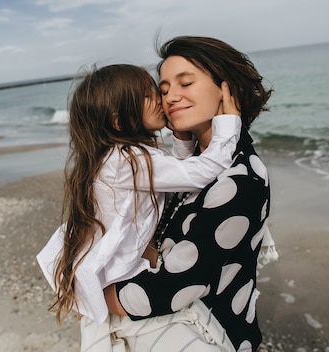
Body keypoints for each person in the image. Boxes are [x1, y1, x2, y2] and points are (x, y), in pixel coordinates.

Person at [36, 63, 242, 348]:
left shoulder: (120, 157)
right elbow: (201, 173)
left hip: (110, 267)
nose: (161, 98)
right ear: (119, 121)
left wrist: (182, 138)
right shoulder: (129, 160)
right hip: (116, 273)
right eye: (148, 95)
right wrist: (229, 123)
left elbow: (175, 175)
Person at [104, 36, 276, 352]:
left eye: (185, 83)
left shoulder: (240, 179)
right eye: (164, 89)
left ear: (228, 90)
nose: (170, 97)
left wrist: (98, 296)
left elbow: (175, 287)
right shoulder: (195, 162)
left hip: (211, 337)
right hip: (174, 331)